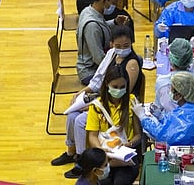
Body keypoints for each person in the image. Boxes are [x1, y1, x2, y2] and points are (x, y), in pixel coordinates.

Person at [51, 26, 143, 179]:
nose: (121, 49)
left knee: (81, 121)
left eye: (126, 46)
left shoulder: (131, 64)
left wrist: (94, 104)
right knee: (72, 114)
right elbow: (99, 77)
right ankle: (71, 152)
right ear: (112, 43)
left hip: (115, 105)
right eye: (118, 46)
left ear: (132, 43)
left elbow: (123, 92)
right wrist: (84, 91)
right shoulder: (111, 54)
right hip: (102, 97)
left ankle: (83, 162)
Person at [86, 65, 141, 184]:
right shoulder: (96, 106)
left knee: (120, 182)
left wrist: (130, 144)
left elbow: (138, 135)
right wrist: (102, 152)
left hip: (126, 156)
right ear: (107, 84)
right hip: (105, 157)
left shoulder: (132, 102)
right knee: (105, 182)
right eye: (115, 87)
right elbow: (92, 136)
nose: (118, 90)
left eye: (122, 87)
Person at [132, 71, 194, 148]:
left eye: (172, 91)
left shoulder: (186, 115)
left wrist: (143, 117)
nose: (170, 93)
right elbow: (174, 125)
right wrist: (161, 117)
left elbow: (164, 135)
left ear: (179, 95)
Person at [76, 0, 129, 85]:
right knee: (125, 77)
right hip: (90, 72)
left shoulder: (89, 11)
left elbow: (101, 27)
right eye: (113, 3)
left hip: (95, 67)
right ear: (104, 1)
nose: (114, 6)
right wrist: (119, 63)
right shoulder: (91, 26)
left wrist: (115, 22)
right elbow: (99, 59)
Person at [154, 38, 194, 112]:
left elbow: (158, 109)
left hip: (171, 123)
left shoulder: (161, 82)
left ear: (170, 60)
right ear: (191, 58)